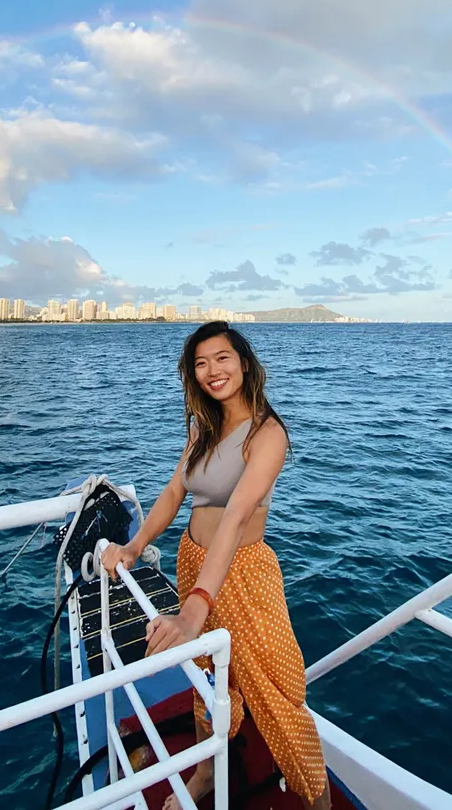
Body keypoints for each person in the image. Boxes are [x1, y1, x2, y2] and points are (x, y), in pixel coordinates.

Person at [101, 321, 330, 810]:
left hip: (244, 571)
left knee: (278, 692)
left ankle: (318, 799)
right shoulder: (202, 425)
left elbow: (236, 516)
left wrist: (194, 609)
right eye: (201, 363)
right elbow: (174, 492)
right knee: (207, 673)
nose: (212, 371)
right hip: (192, 557)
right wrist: (135, 546)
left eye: (222, 358)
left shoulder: (267, 434)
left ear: (244, 363)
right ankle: (206, 772)